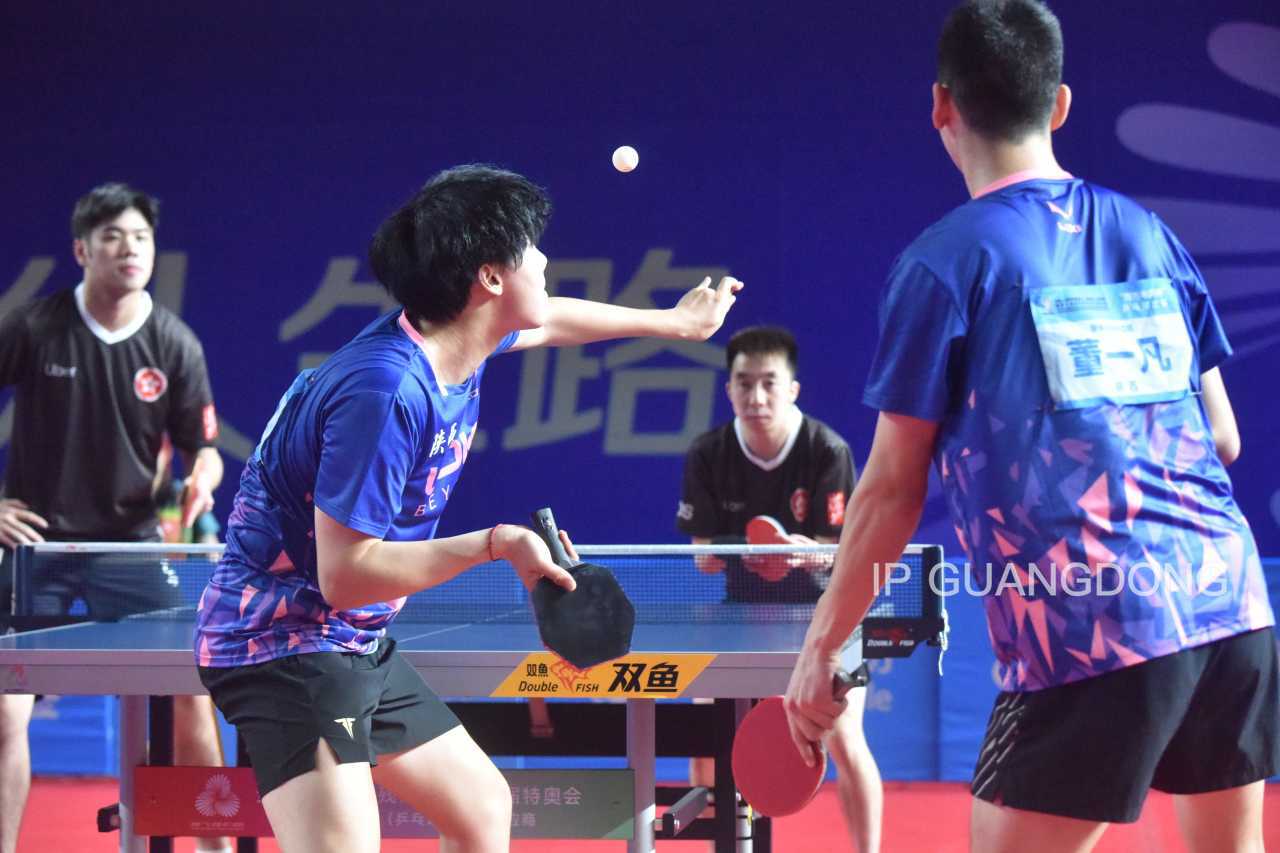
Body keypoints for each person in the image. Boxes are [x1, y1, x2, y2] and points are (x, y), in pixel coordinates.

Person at [784, 2, 1278, 852]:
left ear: (942, 105)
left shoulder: (947, 262)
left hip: (1088, 628)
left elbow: (893, 489)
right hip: (1229, 604)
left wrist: (822, 646)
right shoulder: (1148, 234)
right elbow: (1221, 438)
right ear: (1060, 105)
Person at [193, 164, 743, 852]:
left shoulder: (458, 340)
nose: (544, 262)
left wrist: (675, 323)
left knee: (482, 806)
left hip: (351, 641)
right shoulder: (385, 393)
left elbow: (555, 319)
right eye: (531, 249)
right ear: (490, 278)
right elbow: (346, 575)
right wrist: (495, 543)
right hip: (282, 642)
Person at [0, 182, 229, 853]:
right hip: (36, 546)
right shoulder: (34, 326)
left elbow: (204, 448)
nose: (130, 248)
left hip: (131, 547)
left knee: (190, 692)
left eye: (141, 237)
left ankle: (217, 846)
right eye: (112, 236)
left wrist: (203, 480)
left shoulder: (173, 342)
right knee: (4, 712)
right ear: (81, 250)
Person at [676, 325, 882, 852]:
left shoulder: (826, 449)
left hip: (826, 617)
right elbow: (703, 558)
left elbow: (840, 554)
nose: (756, 397)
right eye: (744, 384)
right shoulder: (709, 453)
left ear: (792, 389)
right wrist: (752, 551)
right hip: (742, 617)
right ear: (729, 390)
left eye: (769, 383)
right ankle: (722, 845)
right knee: (708, 737)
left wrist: (796, 549)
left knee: (844, 736)